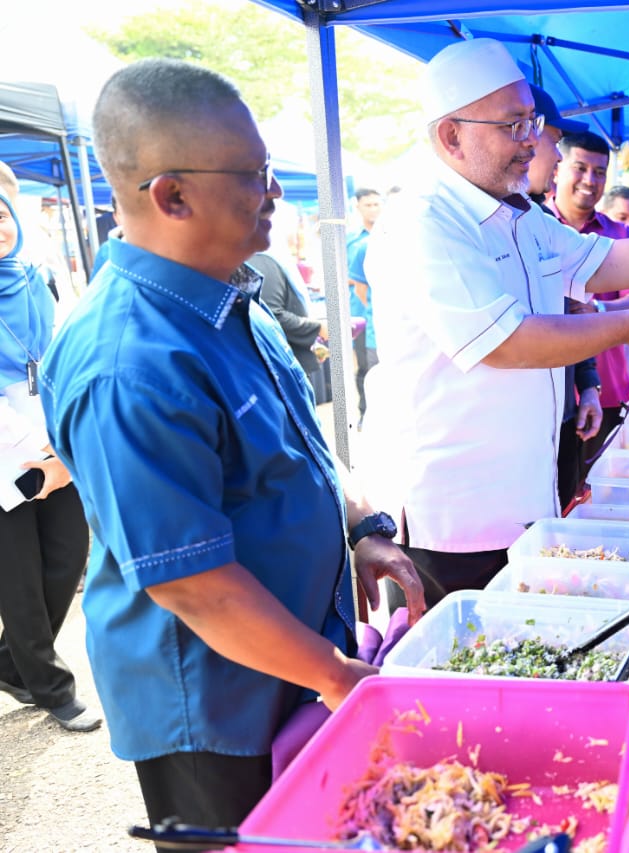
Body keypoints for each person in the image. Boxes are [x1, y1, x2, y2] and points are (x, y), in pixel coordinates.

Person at [39, 59, 425, 837]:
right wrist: (334, 674)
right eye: (253, 174)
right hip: (215, 706)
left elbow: (298, 445)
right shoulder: (129, 364)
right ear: (171, 196)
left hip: (297, 659)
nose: (273, 191)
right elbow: (192, 583)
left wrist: (363, 527)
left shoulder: (230, 296)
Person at [364, 38, 629, 609]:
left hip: (523, 501)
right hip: (454, 518)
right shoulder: (424, 222)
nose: (530, 141)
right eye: (513, 126)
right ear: (452, 135)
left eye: (531, 123)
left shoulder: (519, 213)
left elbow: (602, 263)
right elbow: (507, 342)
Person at [0, 190, 98, 733]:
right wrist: (39, 449)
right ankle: (51, 687)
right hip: (7, 447)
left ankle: (11, 662)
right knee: (18, 574)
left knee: (67, 552)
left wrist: (64, 438)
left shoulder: (33, 278)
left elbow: (63, 353)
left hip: (54, 428)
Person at [547, 129, 629, 469]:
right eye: (580, 168)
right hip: (548, 388)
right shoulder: (536, 227)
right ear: (557, 169)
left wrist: (599, 309)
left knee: (601, 483)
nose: (589, 180)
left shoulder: (619, 234)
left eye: (599, 172)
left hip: (607, 386)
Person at [524, 85, 603, 512]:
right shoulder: (453, 225)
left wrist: (587, 384)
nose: (555, 157)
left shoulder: (537, 222)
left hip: (562, 415)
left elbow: (573, 313)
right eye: (553, 141)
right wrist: (627, 324)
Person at [252, 250, 327, 402]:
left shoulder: (270, 258)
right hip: (282, 369)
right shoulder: (264, 260)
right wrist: (316, 328)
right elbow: (272, 316)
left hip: (286, 365)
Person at [347, 187, 382, 429]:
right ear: (358, 206)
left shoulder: (391, 236)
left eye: (376, 204)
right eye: (368, 205)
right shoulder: (352, 241)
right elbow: (355, 283)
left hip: (383, 318)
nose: (373, 209)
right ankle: (365, 413)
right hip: (362, 316)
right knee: (365, 367)